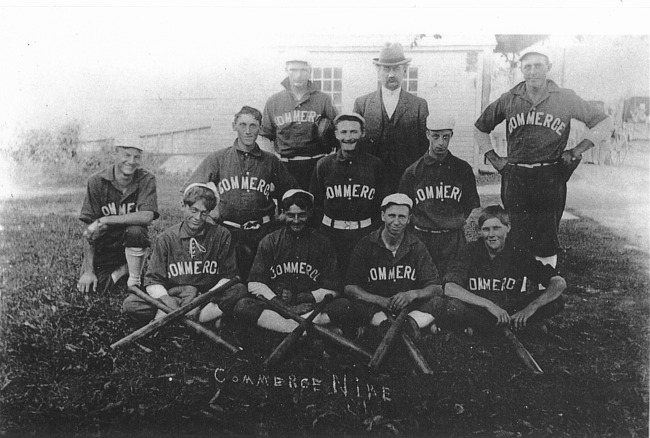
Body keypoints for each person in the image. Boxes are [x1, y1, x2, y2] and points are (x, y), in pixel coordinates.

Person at [474, 51, 613, 267]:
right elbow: (480, 128)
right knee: (515, 234)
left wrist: (577, 150)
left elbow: (604, 123)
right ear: (522, 70)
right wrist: (493, 158)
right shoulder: (510, 98)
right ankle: (518, 287)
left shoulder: (565, 98)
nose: (532, 72)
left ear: (548, 67)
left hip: (549, 175)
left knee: (546, 236)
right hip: (516, 175)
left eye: (538, 66)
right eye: (527, 67)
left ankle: (544, 288)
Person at [185, 106, 298, 280]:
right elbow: (191, 188)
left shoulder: (270, 161)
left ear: (260, 129)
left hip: (263, 232)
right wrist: (207, 214)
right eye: (243, 125)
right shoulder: (219, 158)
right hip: (228, 230)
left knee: (262, 279)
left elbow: (292, 192)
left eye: (253, 126)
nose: (248, 131)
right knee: (227, 280)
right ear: (234, 126)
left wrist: (284, 215)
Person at [122, 184, 247, 326]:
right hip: (173, 297)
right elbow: (153, 281)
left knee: (239, 290)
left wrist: (202, 299)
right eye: (193, 210)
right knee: (131, 304)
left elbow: (229, 276)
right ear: (183, 206)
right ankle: (199, 319)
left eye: (204, 213)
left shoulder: (221, 235)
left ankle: (188, 319)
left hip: (206, 297)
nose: (197, 217)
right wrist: (167, 300)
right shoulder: (166, 238)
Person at [233, 189, 351, 334]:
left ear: (310, 213)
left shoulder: (323, 243)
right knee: (243, 306)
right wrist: (284, 306)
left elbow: (334, 288)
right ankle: (304, 332)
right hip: (277, 308)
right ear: (283, 213)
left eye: (301, 215)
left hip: (311, 309)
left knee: (344, 305)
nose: (296, 221)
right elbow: (255, 283)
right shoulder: (270, 241)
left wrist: (302, 297)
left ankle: (286, 331)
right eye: (291, 215)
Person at [438, 205, 566, 333]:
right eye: (486, 230)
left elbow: (559, 282)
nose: (491, 235)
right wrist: (489, 305)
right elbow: (449, 287)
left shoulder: (518, 253)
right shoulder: (470, 250)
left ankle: (487, 329)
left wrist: (531, 308)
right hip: (479, 309)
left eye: (496, 228)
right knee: (452, 306)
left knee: (557, 301)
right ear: (480, 232)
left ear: (508, 228)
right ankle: (513, 328)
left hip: (509, 311)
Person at [344, 194, 442, 338]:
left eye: (402, 217)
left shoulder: (417, 246)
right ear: (383, 216)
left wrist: (412, 294)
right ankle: (397, 330)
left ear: (409, 219)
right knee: (354, 305)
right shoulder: (366, 244)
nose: (396, 222)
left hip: (408, 310)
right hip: (377, 309)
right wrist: (379, 300)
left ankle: (402, 328)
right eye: (391, 216)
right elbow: (350, 287)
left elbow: (436, 287)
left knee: (437, 302)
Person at [398, 114, 480, 276]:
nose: (441, 142)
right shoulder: (413, 172)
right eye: (435, 136)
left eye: (445, 137)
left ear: (451, 136)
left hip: (454, 240)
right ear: (427, 134)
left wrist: (453, 221)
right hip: (422, 238)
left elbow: (470, 204)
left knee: (453, 284)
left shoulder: (462, 169)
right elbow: (404, 208)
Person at [77, 135, 158, 294]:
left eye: (137, 157)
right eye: (126, 155)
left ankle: (134, 278)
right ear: (115, 153)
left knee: (136, 230)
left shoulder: (146, 178)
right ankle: (124, 269)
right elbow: (90, 231)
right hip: (105, 246)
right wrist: (88, 271)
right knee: (95, 287)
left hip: (131, 239)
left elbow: (147, 216)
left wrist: (106, 219)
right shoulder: (96, 181)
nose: (132, 161)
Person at [309, 112, 386, 274]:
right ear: (336, 134)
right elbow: (315, 205)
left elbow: (382, 205)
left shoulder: (375, 165)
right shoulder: (323, 165)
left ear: (362, 133)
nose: (348, 137)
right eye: (343, 132)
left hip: (364, 235)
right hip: (331, 236)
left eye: (353, 132)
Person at [353, 42, 429, 193]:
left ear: (405, 71)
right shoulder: (363, 104)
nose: (391, 74)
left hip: (407, 180)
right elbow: (355, 145)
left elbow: (424, 147)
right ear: (378, 71)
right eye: (386, 69)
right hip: (371, 180)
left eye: (396, 69)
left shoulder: (419, 105)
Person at [261, 50, 338, 190]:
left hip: (317, 163)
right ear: (286, 70)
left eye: (303, 70)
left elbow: (339, 130)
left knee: (315, 208)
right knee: (287, 207)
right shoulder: (274, 101)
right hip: (284, 165)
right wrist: (272, 162)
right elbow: (266, 136)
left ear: (310, 71)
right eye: (293, 70)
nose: (298, 75)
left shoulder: (323, 99)